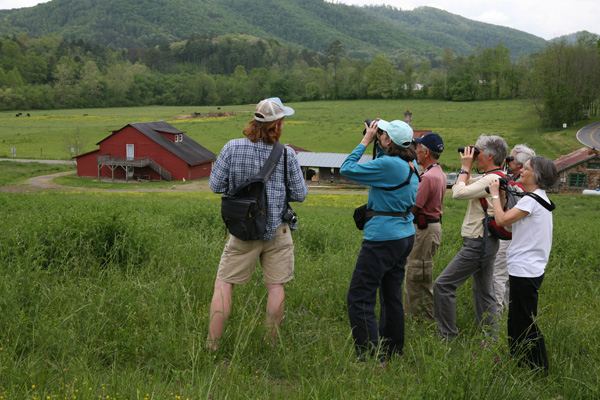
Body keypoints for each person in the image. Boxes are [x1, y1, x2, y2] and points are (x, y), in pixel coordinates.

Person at [207, 97, 308, 350]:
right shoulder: (287, 154)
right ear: (279, 124)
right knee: (276, 287)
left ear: (254, 120)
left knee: (224, 284)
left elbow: (215, 186)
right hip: (278, 230)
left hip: (243, 230)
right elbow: (300, 194)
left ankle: (212, 345)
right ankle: (269, 344)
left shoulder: (232, 147)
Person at [340, 119, 419, 363]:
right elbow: (382, 168)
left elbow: (347, 168)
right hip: (404, 235)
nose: (379, 135)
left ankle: (370, 356)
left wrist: (365, 140)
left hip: (382, 239)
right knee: (391, 295)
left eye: (382, 133)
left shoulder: (387, 165)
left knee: (360, 296)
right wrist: (379, 139)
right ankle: (393, 349)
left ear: (388, 141)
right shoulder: (410, 162)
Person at [433, 135, 508, 340]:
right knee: (485, 293)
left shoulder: (491, 179)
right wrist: (468, 167)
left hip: (479, 242)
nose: (475, 156)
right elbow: (465, 184)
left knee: (443, 285)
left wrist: (465, 166)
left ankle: (447, 336)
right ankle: (490, 338)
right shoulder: (495, 176)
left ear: (490, 155)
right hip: (486, 241)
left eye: (478, 153)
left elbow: (458, 193)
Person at [488, 156, 557, 371]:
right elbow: (511, 225)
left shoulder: (530, 200)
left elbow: (501, 221)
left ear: (536, 175)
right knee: (517, 319)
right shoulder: (539, 198)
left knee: (524, 321)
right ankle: (521, 363)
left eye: (526, 168)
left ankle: (539, 366)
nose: (521, 171)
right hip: (531, 268)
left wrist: (494, 196)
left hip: (525, 269)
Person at [404, 132, 446, 323]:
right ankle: (422, 319)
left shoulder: (428, 177)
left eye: (418, 149)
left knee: (416, 276)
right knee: (422, 274)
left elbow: (414, 206)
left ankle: (420, 321)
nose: (416, 152)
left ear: (426, 152)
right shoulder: (439, 173)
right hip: (432, 228)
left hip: (423, 231)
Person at [492, 144, 536, 314]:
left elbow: (507, 218)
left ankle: (496, 314)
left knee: (498, 274)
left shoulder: (516, 187)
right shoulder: (530, 186)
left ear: (520, 165)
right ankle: (510, 312)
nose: (507, 161)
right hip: (521, 238)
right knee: (511, 277)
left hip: (508, 236)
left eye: (510, 159)